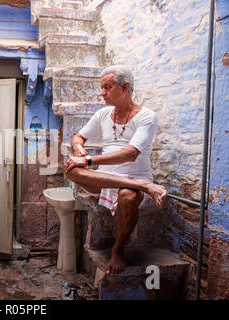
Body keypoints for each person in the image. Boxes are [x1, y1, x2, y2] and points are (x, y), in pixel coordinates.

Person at [64, 65, 167, 275]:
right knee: (71, 169)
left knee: (128, 197)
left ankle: (118, 249)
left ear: (125, 87)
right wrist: (79, 149)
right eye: (102, 87)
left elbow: (131, 154)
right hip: (104, 180)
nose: (102, 92)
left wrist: (90, 160)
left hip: (133, 175)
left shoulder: (147, 117)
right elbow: (78, 136)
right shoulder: (103, 114)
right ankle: (144, 187)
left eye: (107, 87)